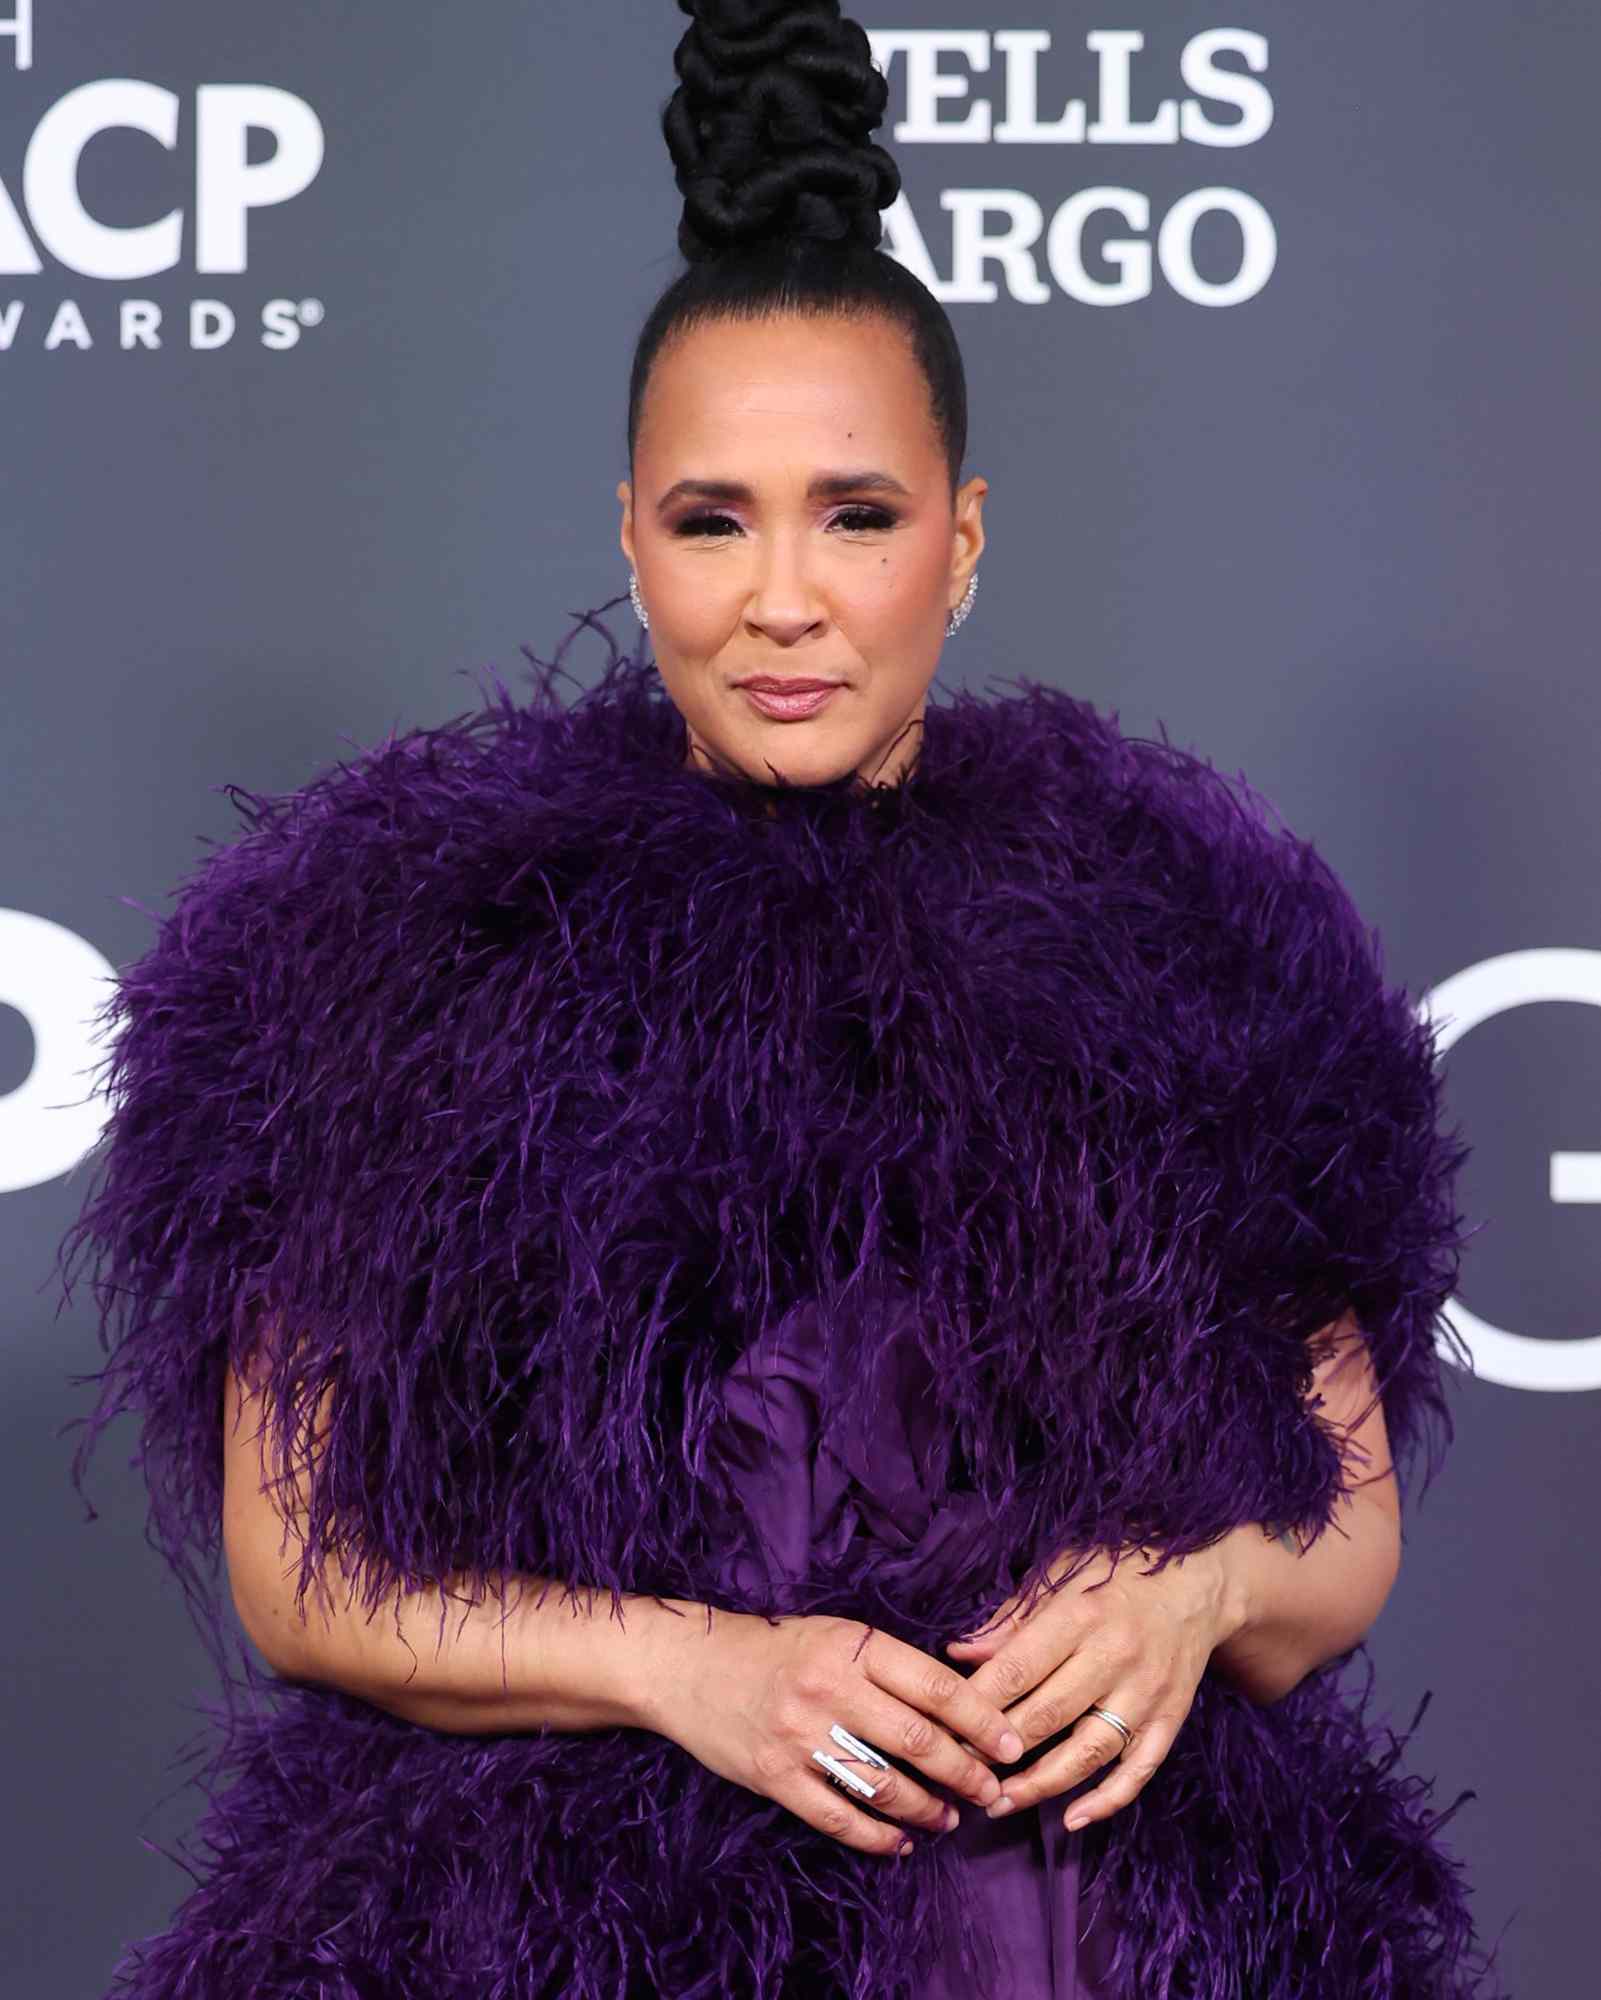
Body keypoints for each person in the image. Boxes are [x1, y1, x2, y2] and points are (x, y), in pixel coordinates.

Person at [57, 2, 1506, 1994]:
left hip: (1098, 1931)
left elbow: (1339, 1528)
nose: (785, 601)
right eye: (714, 520)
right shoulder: (406, 956)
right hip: (568, 1930)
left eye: (859, 513)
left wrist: (1197, 1590)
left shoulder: (1194, 940)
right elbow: (301, 1571)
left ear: (965, 541)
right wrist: (687, 1668)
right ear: (630, 544)